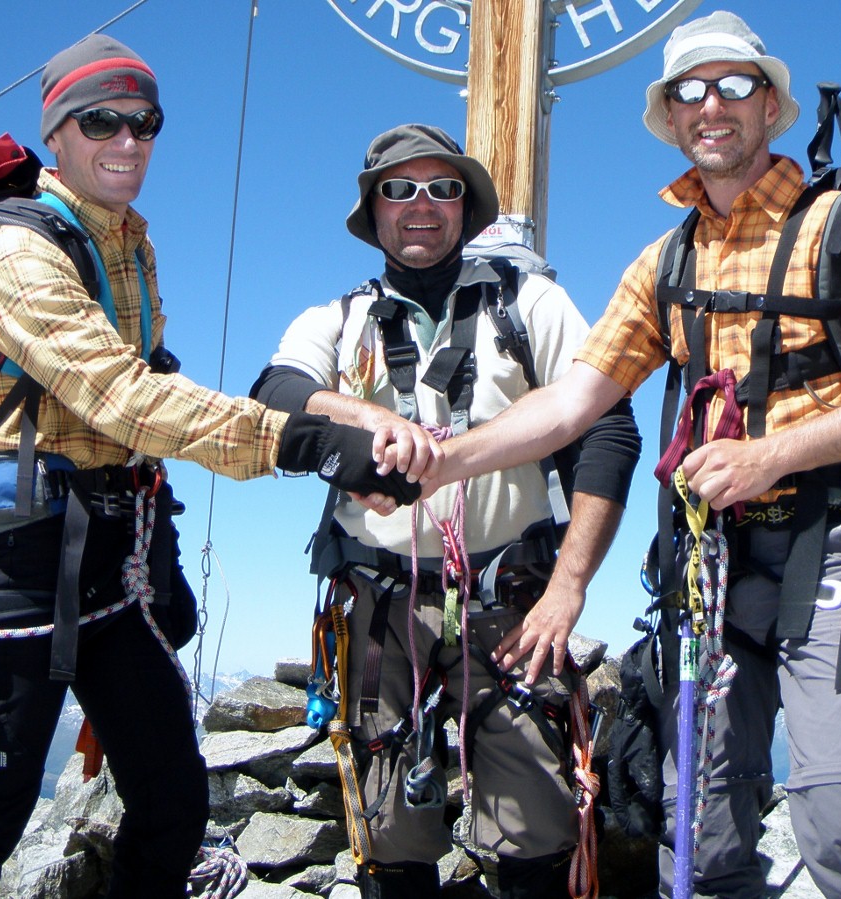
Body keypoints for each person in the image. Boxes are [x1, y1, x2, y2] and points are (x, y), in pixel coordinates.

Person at [429, 11, 841, 899]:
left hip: (828, 547)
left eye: (735, 85)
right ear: (670, 117)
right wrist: (447, 461)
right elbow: (574, 402)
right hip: (708, 568)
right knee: (698, 832)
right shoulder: (663, 263)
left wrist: (769, 454)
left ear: (771, 106)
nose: (712, 105)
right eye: (690, 91)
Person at [0, 35, 418, 899]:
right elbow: (125, 399)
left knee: (174, 799)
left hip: (112, 555)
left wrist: (162, 545)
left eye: (144, 123)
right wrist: (312, 443)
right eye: (100, 121)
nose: (127, 140)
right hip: (18, 561)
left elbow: (137, 398)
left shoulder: (123, 244)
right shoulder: (15, 254)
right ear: (55, 132)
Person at [250, 124, 641, 898]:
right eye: (399, 189)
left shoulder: (530, 302)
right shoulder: (338, 320)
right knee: (389, 834)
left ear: (466, 205)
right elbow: (276, 396)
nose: (421, 205)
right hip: (377, 606)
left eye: (443, 187)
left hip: (513, 602)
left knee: (538, 826)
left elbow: (606, 429)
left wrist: (569, 586)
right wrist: (367, 418)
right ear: (374, 210)